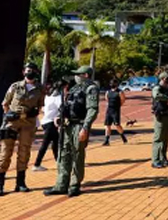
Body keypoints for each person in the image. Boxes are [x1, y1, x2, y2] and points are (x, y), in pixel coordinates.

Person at [43, 66, 99, 197]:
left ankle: (74, 185)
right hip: (67, 126)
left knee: (77, 154)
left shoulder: (91, 89)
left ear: (85, 75)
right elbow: (67, 105)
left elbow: (92, 110)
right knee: (64, 153)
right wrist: (59, 117)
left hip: (79, 125)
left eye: (78, 74)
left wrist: (85, 128)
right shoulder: (74, 88)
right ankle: (61, 184)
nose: (76, 77)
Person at [0, 63, 44, 197]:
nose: (30, 73)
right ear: (23, 72)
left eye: (33, 71)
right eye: (28, 71)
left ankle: (20, 183)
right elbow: (5, 103)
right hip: (12, 122)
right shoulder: (15, 86)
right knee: (5, 153)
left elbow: (40, 105)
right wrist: (7, 114)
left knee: (24, 152)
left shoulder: (40, 89)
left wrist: (35, 113)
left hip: (28, 123)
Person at [33, 80, 66, 172]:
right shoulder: (58, 98)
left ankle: (58, 161)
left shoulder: (48, 97)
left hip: (45, 122)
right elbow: (62, 109)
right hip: (51, 123)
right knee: (46, 144)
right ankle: (37, 164)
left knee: (55, 143)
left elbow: (44, 108)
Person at [151, 72, 168, 168]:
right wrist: (167, 99)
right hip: (160, 117)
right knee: (158, 138)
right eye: (167, 78)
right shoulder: (157, 88)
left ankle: (163, 158)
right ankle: (155, 160)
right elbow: (156, 95)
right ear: (162, 78)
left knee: (166, 138)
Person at [102, 79, 128, 145]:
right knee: (107, 125)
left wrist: (118, 106)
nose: (112, 84)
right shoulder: (108, 92)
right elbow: (106, 99)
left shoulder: (120, 92)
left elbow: (123, 100)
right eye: (111, 83)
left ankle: (123, 137)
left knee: (117, 125)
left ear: (116, 84)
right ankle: (107, 140)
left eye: (113, 83)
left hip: (115, 111)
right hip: (109, 111)